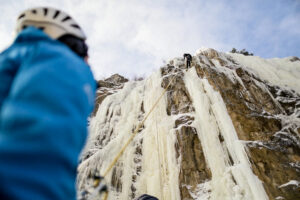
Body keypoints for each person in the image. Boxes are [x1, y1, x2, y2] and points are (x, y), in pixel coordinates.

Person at [0, 7, 96, 200]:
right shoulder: (62, 59)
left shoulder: (10, 61)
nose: (87, 61)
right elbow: (36, 153)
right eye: (85, 52)